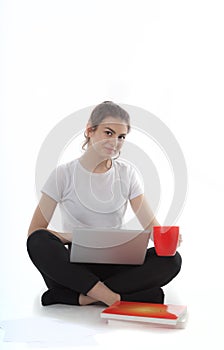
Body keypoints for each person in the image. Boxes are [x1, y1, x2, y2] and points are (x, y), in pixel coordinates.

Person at [27, 101, 182, 307]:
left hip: (115, 261)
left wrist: (167, 239)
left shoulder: (127, 174)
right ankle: (115, 297)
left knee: (172, 260)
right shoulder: (63, 175)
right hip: (76, 266)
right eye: (108, 133)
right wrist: (71, 237)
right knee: (38, 242)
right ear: (90, 130)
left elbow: (152, 228)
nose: (115, 142)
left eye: (121, 137)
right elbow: (35, 231)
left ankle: (80, 297)